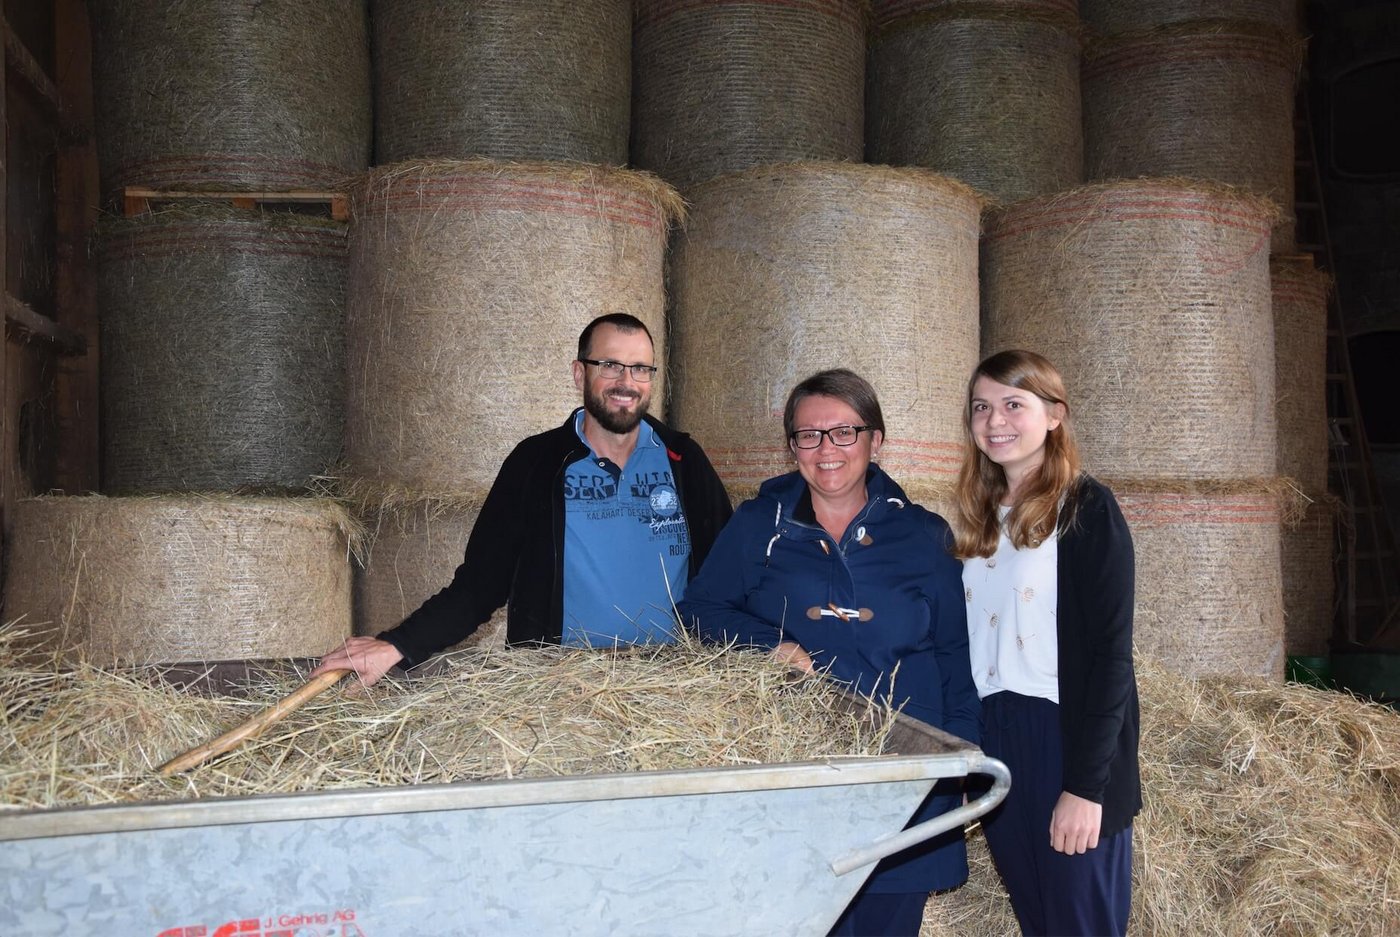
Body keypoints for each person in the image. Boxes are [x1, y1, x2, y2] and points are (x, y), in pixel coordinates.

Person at [676, 368, 978, 937]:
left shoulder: (923, 535)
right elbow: (699, 610)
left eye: (844, 432)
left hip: (902, 774)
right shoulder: (755, 526)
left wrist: (961, 755)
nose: (827, 449)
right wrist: (771, 644)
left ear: (875, 440)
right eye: (809, 435)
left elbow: (954, 656)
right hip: (796, 773)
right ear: (792, 447)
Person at [314, 313, 733, 685]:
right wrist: (397, 645)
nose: (627, 382)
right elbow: (481, 585)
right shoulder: (536, 462)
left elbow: (733, 571)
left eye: (641, 369)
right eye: (610, 365)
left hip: (673, 682)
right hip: (557, 685)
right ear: (578, 373)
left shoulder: (682, 460)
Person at [952, 349, 1141, 936]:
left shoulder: (1086, 507)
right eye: (982, 407)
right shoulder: (980, 518)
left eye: (1014, 404)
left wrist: (1086, 788)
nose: (995, 420)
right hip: (998, 736)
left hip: (1064, 737)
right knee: (1040, 922)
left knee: (1080, 925)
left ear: (1054, 415)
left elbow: (1112, 656)